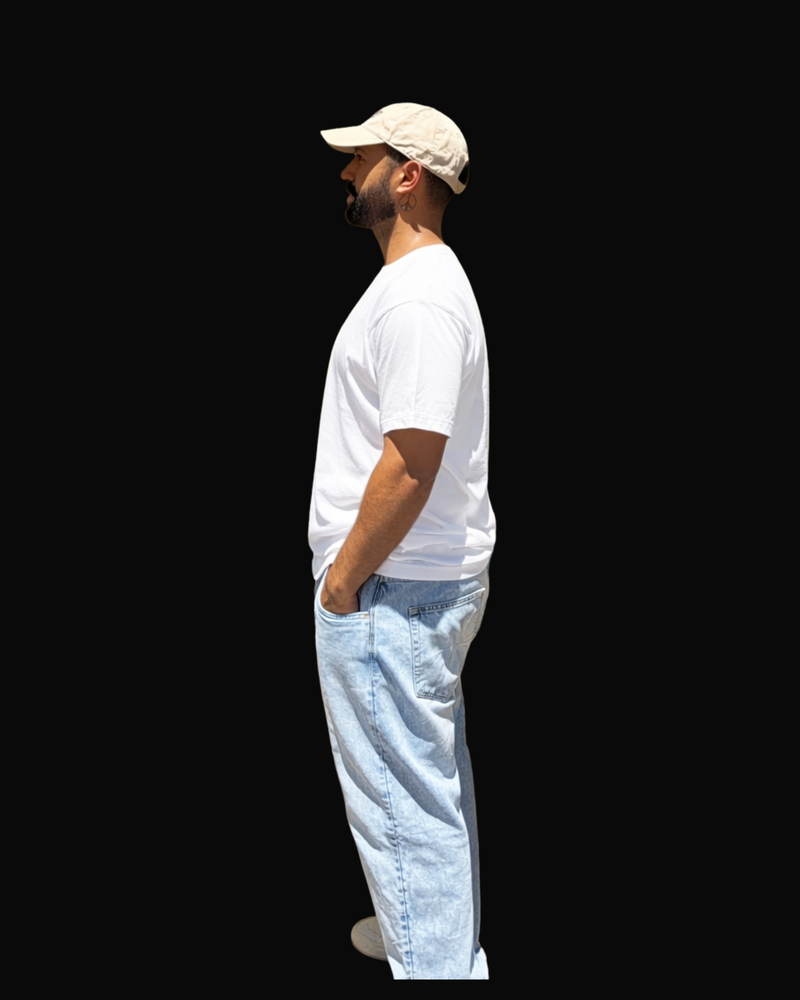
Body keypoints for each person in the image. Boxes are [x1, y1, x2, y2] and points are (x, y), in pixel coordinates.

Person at [309, 103, 496, 981]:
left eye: (366, 158)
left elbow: (412, 462)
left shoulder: (418, 297)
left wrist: (343, 582)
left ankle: (435, 960)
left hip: (392, 592)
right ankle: (423, 925)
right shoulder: (420, 284)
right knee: (425, 789)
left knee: (405, 807)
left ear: (408, 176)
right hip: (414, 586)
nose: (349, 171)